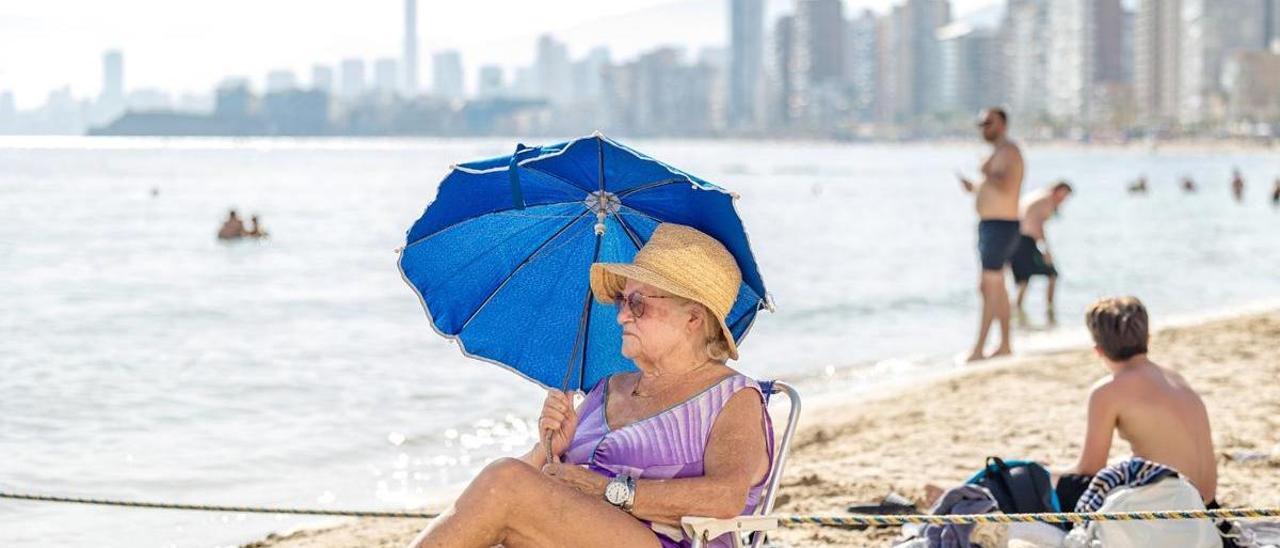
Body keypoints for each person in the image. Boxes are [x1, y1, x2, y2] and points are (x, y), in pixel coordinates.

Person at [408, 223, 774, 548]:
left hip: (668, 539)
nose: (621, 315)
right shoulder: (608, 389)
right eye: (621, 301)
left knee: (504, 482)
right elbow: (546, 491)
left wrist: (608, 490)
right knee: (506, 481)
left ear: (693, 317)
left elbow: (725, 496)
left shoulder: (731, 398)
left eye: (637, 303)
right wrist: (548, 449)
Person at [1054, 297, 1217, 511]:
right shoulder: (1176, 378)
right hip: (1209, 507)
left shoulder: (1107, 391)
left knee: (1061, 485)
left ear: (1098, 350)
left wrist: (1054, 473)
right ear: (1148, 339)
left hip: (1172, 510)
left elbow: (1090, 468)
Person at [957, 107, 1024, 362]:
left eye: (988, 123)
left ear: (1002, 124)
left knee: (988, 287)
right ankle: (1005, 344)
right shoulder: (995, 153)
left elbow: (1007, 185)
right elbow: (993, 188)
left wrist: (986, 174)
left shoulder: (1009, 151)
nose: (984, 128)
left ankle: (979, 348)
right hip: (991, 226)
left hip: (1001, 226)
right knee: (997, 287)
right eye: (981, 124)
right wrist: (974, 187)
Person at [1012, 181, 1072, 324]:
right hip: (1023, 240)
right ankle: (1049, 310)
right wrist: (1046, 251)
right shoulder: (1046, 201)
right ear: (1056, 191)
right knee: (1050, 274)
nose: (1063, 200)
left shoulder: (1040, 195)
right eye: (1062, 196)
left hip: (1015, 239)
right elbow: (1036, 226)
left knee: (1024, 281)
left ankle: (1018, 316)